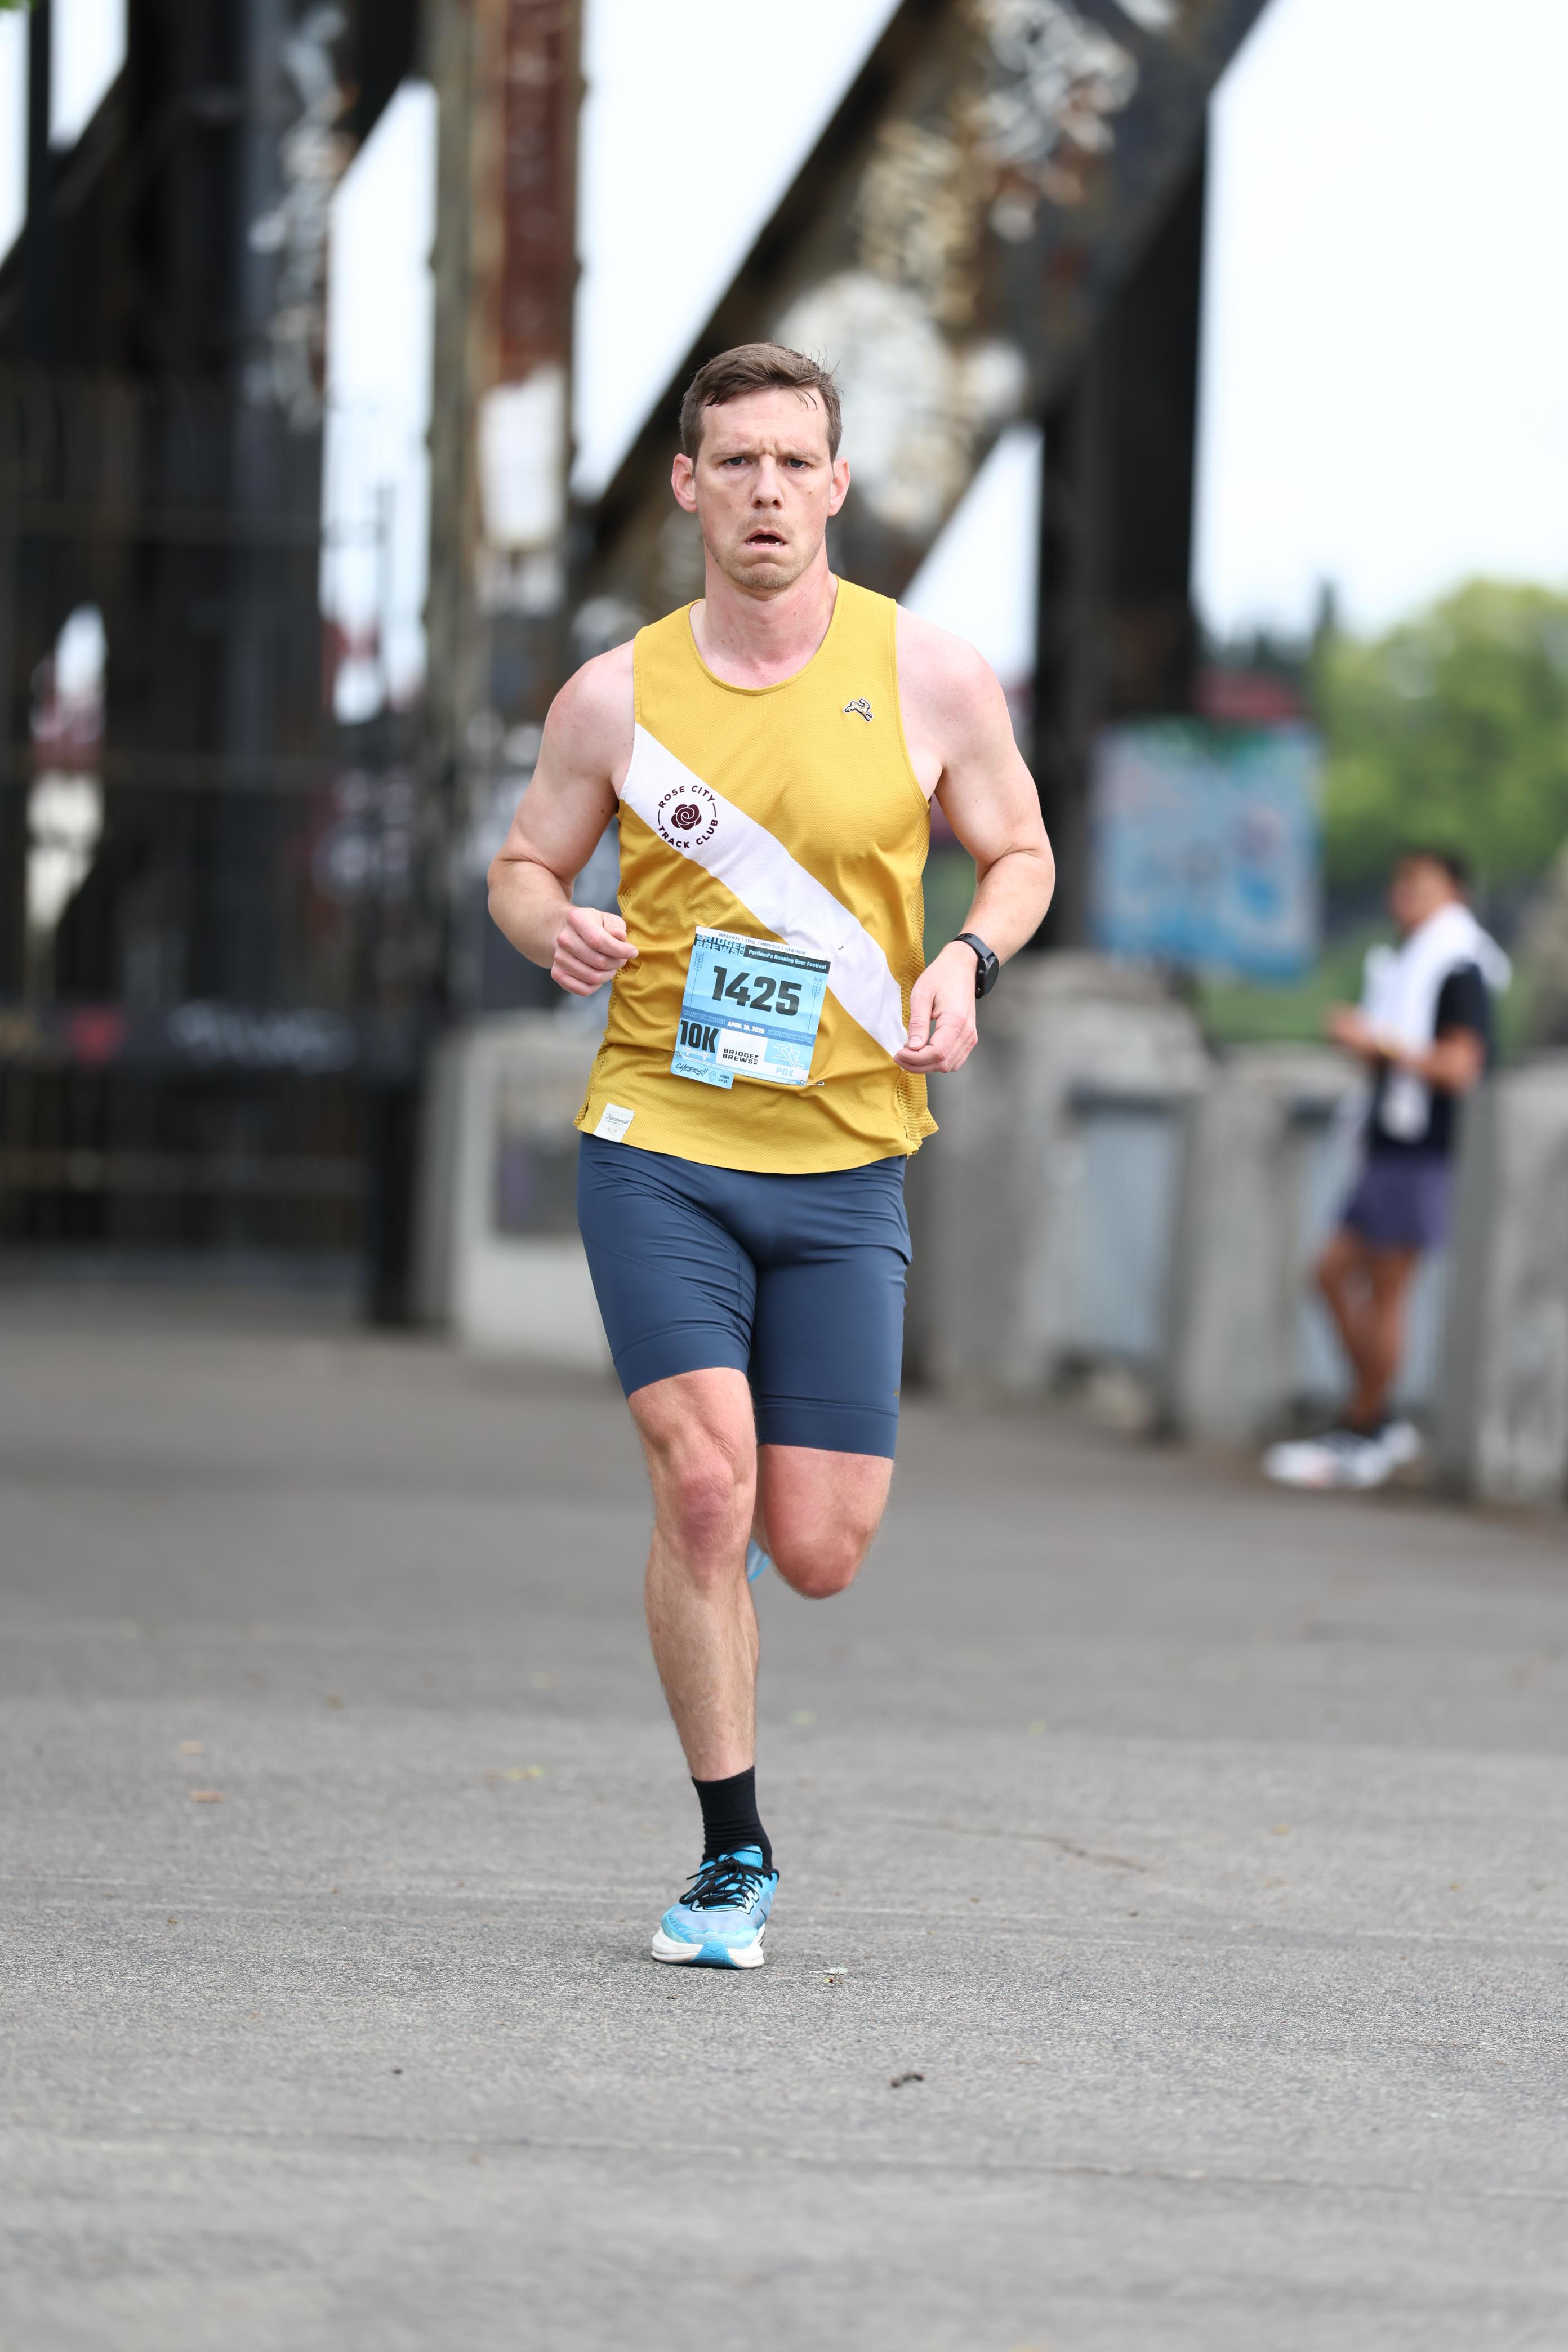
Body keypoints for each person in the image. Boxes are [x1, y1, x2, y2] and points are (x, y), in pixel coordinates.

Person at [487, 342, 1054, 1966]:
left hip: (849, 1160)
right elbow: (520, 863)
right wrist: (550, 923)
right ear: (687, 486)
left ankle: (729, 1580)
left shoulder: (930, 674)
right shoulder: (614, 696)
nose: (764, 490)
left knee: (815, 1548)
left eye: (793, 462)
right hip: (658, 1142)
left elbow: (1019, 851)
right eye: (733, 461)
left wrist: (969, 960)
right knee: (703, 1484)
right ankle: (730, 1855)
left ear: (835, 485)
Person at [1265, 848, 1509, 1492]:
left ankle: (1370, 1427)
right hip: (1385, 1150)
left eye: (1420, 886)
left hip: (1422, 1153)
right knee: (1332, 1276)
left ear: (1455, 894)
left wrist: (1378, 1043)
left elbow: (1461, 1066)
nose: (1404, 897)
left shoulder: (1459, 966)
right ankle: (1371, 1416)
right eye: (1399, 886)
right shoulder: (1409, 964)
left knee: (1384, 1293)